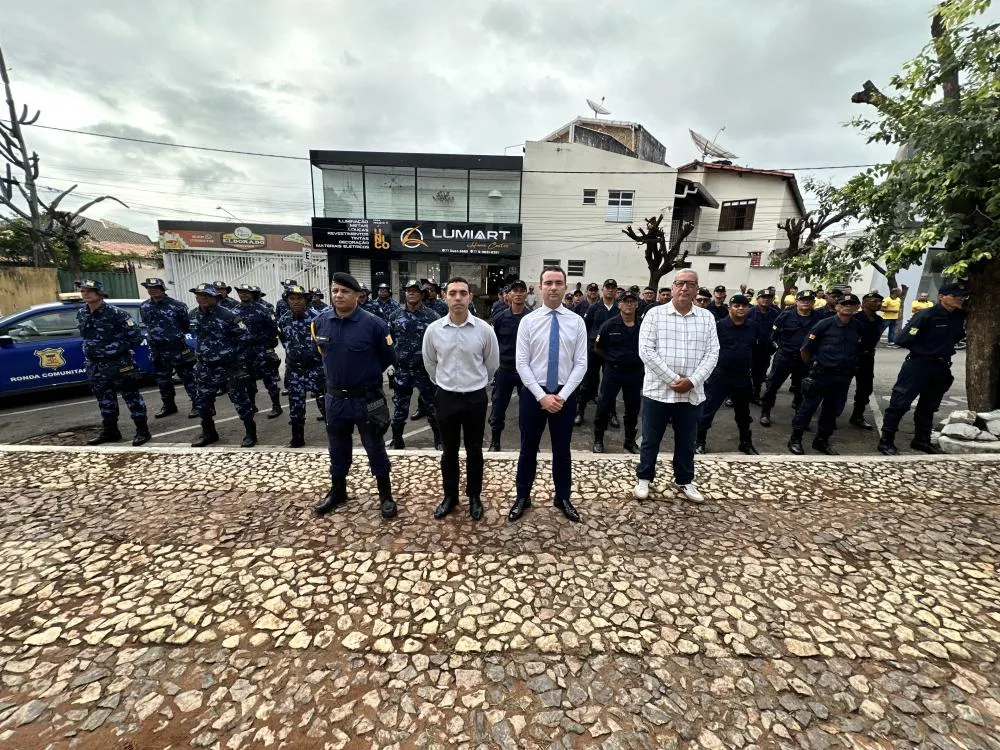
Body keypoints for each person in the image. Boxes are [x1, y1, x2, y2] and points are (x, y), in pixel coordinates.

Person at [312, 273, 397, 518]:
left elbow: (388, 357)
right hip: (335, 399)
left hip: (367, 399)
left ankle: (385, 496)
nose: (338, 295)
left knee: (375, 447)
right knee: (337, 448)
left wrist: (363, 377)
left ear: (357, 295)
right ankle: (338, 491)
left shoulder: (375, 325)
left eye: (344, 291)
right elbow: (321, 354)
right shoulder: (320, 323)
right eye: (335, 290)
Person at [510, 265, 588, 523]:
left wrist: (562, 396)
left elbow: (581, 364)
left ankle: (563, 497)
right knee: (527, 448)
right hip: (534, 394)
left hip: (564, 394)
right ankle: (523, 495)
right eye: (549, 283)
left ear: (566, 287)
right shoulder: (528, 321)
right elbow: (522, 363)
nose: (553, 287)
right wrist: (541, 396)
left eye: (558, 282)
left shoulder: (576, 322)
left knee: (562, 450)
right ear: (540, 287)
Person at [634, 270, 719, 504]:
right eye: (680, 283)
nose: (685, 288)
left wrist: (691, 381)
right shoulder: (654, 314)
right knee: (651, 438)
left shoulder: (706, 318)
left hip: (692, 392)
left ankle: (684, 480)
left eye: (690, 284)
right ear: (672, 287)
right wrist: (673, 379)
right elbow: (646, 351)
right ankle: (644, 478)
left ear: (697, 289)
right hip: (658, 391)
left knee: (687, 440)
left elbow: (713, 354)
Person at [422, 277, 500, 521]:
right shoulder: (433, 330)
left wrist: (475, 384)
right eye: (452, 293)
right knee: (449, 451)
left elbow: (492, 364)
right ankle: (450, 496)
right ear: (445, 296)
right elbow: (430, 363)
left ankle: (474, 497)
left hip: (475, 398)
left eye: (462, 293)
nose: (457, 298)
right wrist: (446, 384)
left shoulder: (484, 330)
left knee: (475, 451)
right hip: (446, 398)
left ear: (470, 297)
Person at [877, 283, 968, 456]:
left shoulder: (959, 315)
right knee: (899, 404)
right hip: (919, 365)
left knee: (929, 406)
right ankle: (886, 441)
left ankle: (921, 439)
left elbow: (957, 336)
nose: (959, 298)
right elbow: (902, 339)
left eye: (960, 296)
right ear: (941, 296)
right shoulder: (927, 315)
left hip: (941, 366)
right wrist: (925, 349)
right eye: (954, 295)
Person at [787, 294, 864, 455]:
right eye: (844, 304)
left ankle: (822, 441)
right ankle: (795, 439)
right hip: (822, 374)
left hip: (843, 376)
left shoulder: (858, 326)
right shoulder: (824, 324)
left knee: (832, 410)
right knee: (808, 407)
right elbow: (805, 349)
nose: (847, 307)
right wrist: (813, 367)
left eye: (852, 304)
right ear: (837, 307)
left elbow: (860, 349)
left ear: (858, 307)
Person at [76, 279, 150, 446]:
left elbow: (136, 337)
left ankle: (142, 430)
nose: (85, 293)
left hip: (118, 363)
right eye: (83, 290)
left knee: (132, 397)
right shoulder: (82, 313)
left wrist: (116, 349)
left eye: (89, 290)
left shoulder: (117, 313)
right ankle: (111, 431)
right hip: (95, 365)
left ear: (99, 293)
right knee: (104, 400)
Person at [188, 282, 257, 448]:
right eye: (199, 295)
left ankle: (250, 434)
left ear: (216, 297)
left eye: (206, 296)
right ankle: (209, 433)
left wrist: (238, 363)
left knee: (241, 402)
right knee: (203, 403)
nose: (202, 299)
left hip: (227, 367)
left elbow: (246, 339)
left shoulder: (229, 316)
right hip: (205, 367)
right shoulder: (193, 315)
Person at [696, 294, 759, 455]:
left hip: (743, 376)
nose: (740, 308)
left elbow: (758, 349)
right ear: (729, 308)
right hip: (720, 375)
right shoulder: (719, 326)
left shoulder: (752, 326)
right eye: (737, 306)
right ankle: (699, 441)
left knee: (744, 413)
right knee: (708, 410)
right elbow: (706, 350)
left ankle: (745, 442)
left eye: (744, 306)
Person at [387, 280, 441, 449]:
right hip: (402, 370)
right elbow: (389, 341)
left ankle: (439, 440)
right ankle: (397, 439)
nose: (411, 293)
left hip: (424, 370)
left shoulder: (432, 317)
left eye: (415, 291)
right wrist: (390, 364)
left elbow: (438, 343)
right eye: (408, 290)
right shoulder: (395, 316)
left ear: (421, 294)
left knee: (432, 407)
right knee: (400, 408)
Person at [139, 277, 197, 419]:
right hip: (157, 349)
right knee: (162, 379)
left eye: (156, 288)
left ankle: (197, 404)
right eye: (149, 288)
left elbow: (185, 326)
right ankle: (169, 405)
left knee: (187, 377)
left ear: (163, 289)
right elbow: (148, 324)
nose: (153, 290)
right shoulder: (145, 306)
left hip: (176, 348)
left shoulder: (178, 305)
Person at [759, 290, 819, 427]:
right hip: (784, 357)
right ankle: (765, 412)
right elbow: (773, 336)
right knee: (772, 386)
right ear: (796, 301)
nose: (805, 302)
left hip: (804, 360)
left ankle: (800, 417)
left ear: (813, 303)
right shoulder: (785, 316)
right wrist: (779, 350)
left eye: (809, 300)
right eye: (802, 300)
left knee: (802, 389)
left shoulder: (818, 319)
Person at [592, 291, 643, 454]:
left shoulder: (643, 325)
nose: (629, 304)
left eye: (632, 301)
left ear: (636, 304)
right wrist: (611, 360)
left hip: (634, 373)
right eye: (625, 301)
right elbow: (598, 349)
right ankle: (598, 440)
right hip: (613, 372)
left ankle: (629, 441)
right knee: (604, 405)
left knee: (633, 408)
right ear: (619, 304)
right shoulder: (609, 325)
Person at [277, 285, 326, 447]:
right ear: (287, 301)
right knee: (296, 406)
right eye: (292, 299)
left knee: (325, 405)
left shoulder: (318, 318)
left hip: (316, 368)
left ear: (306, 300)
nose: (296, 302)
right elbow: (284, 341)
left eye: (299, 298)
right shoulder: (283, 319)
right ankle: (297, 438)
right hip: (295, 370)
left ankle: (334, 437)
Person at [488, 280, 529, 451]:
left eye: (522, 291)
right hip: (505, 369)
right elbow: (494, 342)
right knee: (498, 408)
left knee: (528, 410)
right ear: (509, 295)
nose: (518, 294)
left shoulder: (532, 318)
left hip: (526, 372)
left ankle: (527, 442)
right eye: (515, 291)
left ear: (526, 294)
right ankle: (495, 442)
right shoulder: (500, 318)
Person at [235, 284, 283, 420]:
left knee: (269, 379)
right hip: (244, 351)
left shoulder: (263, 309)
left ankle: (276, 406)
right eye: (241, 292)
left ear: (252, 294)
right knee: (248, 380)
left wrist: (266, 343)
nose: (243, 295)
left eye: (246, 293)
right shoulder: (234, 311)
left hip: (261, 349)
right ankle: (252, 405)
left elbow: (274, 328)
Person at [578, 278, 619, 426]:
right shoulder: (594, 308)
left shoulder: (618, 309)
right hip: (594, 350)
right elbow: (584, 328)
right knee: (587, 382)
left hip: (612, 351)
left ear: (615, 290)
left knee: (611, 384)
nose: (610, 289)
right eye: (607, 287)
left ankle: (611, 413)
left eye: (613, 287)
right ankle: (580, 412)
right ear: (603, 290)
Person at [848, 291, 884, 430]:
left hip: (867, 357)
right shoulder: (854, 318)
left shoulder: (879, 320)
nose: (878, 304)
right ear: (864, 303)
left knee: (865, 388)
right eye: (874, 301)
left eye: (879, 301)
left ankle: (857, 415)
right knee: (839, 387)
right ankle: (831, 415)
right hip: (852, 356)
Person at [747, 289, 779, 404]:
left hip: (765, 348)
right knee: (743, 371)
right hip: (750, 348)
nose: (766, 299)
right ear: (757, 299)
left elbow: (778, 331)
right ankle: (733, 395)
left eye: (769, 298)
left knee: (760, 373)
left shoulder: (776, 314)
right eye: (763, 297)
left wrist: (774, 346)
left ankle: (756, 394)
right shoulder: (749, 312)